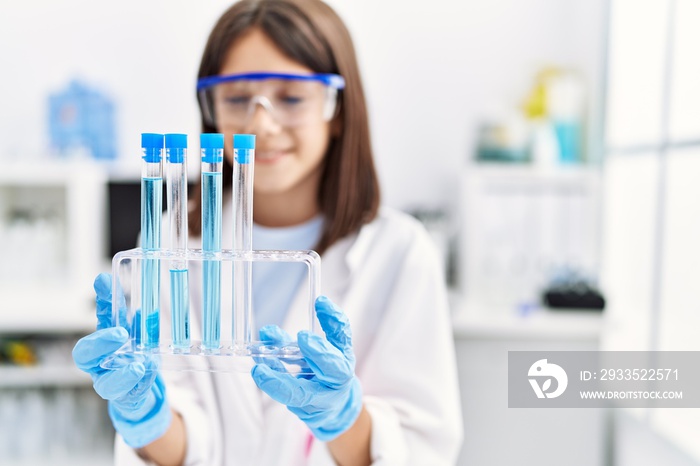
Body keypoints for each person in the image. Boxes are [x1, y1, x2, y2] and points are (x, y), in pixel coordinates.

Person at [72, 0, 463, 464]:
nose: (260, 123)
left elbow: (420, 449)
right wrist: (144, 416)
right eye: (237, 98)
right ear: (211, 111)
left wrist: (343, 419)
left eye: (292, 96)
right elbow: (181, 444)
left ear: (337, 108)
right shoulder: (169, 245)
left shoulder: (399, 252)